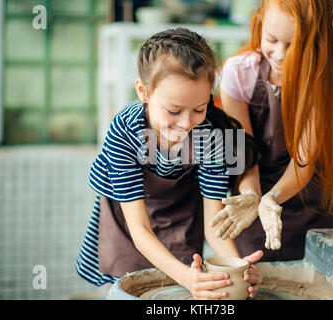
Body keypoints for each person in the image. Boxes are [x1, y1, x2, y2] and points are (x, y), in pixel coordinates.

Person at [75, 27, 263, 299]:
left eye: (199, 109)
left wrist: (239, 267)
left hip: (180, 214)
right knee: (129, 288)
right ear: (144, 92)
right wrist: (187, 277)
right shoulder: (124, 132)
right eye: (173, 111)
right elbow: (139, 230)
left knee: (180, 288)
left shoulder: (210, 136)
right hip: (129, 221)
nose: (186, 123)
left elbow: (213, 223)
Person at [210, 0, 333, 262]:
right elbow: (244, 152)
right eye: (271, 39)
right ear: (259, 23)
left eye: (293, 44)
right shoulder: (237, 73)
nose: (280, 53)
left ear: (317, 41)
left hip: (309, 206)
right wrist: (252, 197)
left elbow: (304, 163)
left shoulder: (326, 82)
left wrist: (272, 198)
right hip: (252, 202)